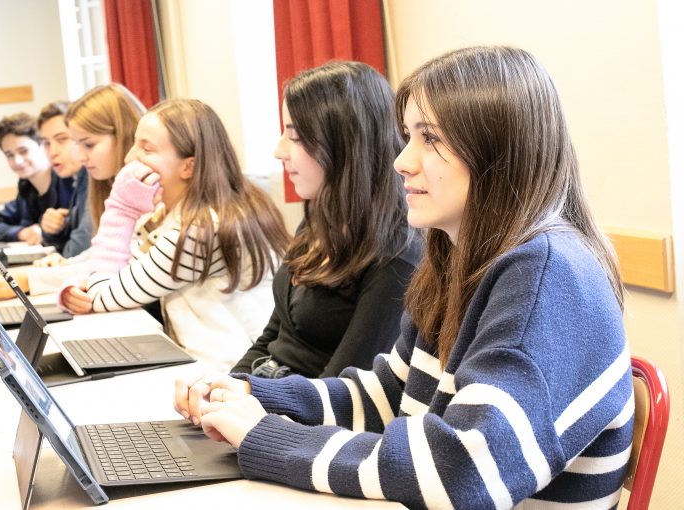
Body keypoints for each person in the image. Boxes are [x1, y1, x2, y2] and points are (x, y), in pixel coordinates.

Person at [174, 46, 633, 509]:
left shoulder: (546, 274)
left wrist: (266, 437)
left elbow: (464, 472)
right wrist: (259, 395)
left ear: (499, 149)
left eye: (429, 138)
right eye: (407, 136)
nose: (402, 161)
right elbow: (389, 395)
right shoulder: (459, 259)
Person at [60, 99, 290, 371]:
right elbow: (120, 273)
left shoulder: (202, 230)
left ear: (188, 167)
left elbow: (103, 297)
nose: (129, 158)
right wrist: (79, 289)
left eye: (146, 148)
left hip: (229, 374)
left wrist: (121, 210)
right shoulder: (178, 215)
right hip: (207, 365)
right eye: (135, 143)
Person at [230, 61, 421, 379]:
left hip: (306, 417)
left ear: (345, 145)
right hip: (270, 395)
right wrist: (226, 390)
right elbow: (274, 337)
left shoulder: (398, 254)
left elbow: (344, 390)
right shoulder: (319, 219)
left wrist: (248, 404)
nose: (279, 151)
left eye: (294, 136)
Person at [0, 84, 145, 300]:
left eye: (87, 144)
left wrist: (32, 278)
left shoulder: (140, 185)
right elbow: (102, 251)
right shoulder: (30, 186)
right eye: (47, 143)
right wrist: (63, 263)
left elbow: (116, 260)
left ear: (122, 134)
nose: (81, 156)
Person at [0, 112, 70, 244]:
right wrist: (22, 233)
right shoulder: (26, 188)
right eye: (9, 155)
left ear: (44, 146)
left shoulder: (67, 182)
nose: (17, 161)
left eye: (23, 151)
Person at [37, 100, 92, 258]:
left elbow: (76, 252)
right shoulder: (73, 178)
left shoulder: (91, 176)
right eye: (46, 143)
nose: (52, 152)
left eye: (62, 139)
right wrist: (51, 231)